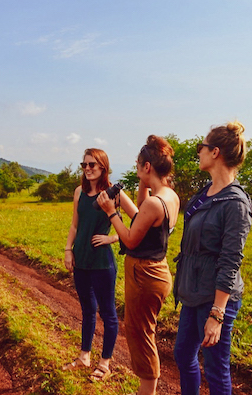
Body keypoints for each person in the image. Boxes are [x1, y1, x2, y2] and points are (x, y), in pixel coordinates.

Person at [172, 121, 252, 395]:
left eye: (201, 147)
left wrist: (217, 314)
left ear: (215, 152)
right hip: (194, 293)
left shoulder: (235, 203)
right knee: (183, 354)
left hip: (216, 298)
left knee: (216, 371)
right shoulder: (203, 195)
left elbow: (231, 260)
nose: (199, 153)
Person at [97, 135, 180, 395]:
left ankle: (148, 391)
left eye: (139, 166)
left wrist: (111, 211)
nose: (136, 169)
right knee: (144, 330)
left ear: (147, 167)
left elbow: (131, 239)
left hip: (145, 274)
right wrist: (142, 184)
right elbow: (141, 212)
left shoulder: (156, 203)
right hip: (157, 270)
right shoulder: (169, 197)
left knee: (141, 334)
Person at [62, 148, 120, 382]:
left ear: (103, 167)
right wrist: (68, 250)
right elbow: (75, 225)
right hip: (82, 260)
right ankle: (84, 356)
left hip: (102, 263)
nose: (87, 169)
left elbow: (129, 227)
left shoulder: (112, 193)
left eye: (92, 165)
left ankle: (105, 363)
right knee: (87, 310)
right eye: (84, 165)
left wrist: (110, 238)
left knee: (108, 313)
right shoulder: (79, 192)